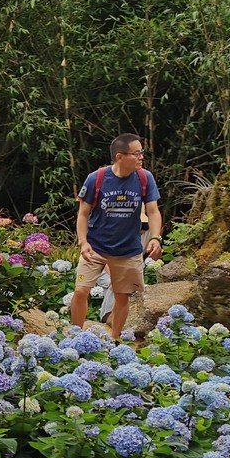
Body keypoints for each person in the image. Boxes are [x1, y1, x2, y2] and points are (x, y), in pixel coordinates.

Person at [70, 133, 162, 339]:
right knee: (81, 291)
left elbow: (153, 211)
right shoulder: (97, 178)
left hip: (128, 249)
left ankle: (114, 339)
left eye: (141, 153)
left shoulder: (145, 178)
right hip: (95, 247)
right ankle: (75, 336)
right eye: (136, 153)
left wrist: (155, 237)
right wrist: (83, 242)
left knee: (122, 297)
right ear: (120, 156)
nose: (141, 157)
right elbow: (83, 214)